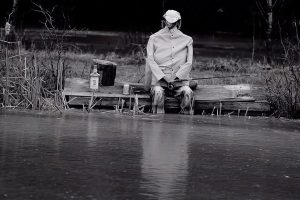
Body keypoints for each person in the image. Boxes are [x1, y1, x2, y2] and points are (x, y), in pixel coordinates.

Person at [144, 10, 194, 114]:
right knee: (158, 93)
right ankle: (157, 121)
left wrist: (177, 77)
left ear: (178, 22)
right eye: (167, 20)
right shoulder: (154, 38)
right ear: (164, 20)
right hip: (159, 81)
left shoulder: (187, 40)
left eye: (172, 21)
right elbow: (150, 60)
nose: (169, 23)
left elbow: (189, 63)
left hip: (179, 82)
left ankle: (186, 121)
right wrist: (163, 77)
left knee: (188, 93)